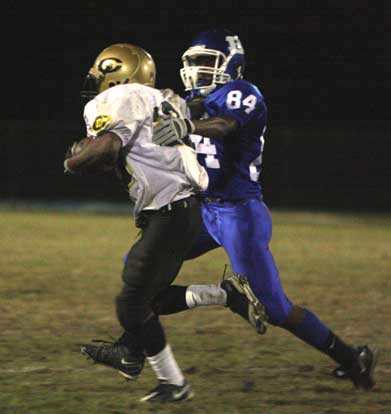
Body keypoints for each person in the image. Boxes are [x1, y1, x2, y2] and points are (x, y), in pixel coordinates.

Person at [151, 29, 379, 391]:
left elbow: (224, 125)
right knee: (142, 273)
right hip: (203, 210)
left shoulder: (241, 93)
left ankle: (352, 357)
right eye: (193, 62)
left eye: (207, 61)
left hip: (239, 214)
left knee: (275, 311)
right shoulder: (188, 102)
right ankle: (143, 343)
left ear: (231, 64)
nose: (198, 70)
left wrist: (187, 124)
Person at [64, 43, 211, 403]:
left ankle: (172, 381)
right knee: (149, 296)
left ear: (121, 74)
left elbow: (106, 147)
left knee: (131, 303)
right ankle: (223, 296)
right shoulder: (165, 99)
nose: (97, 81)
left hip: (169, 212)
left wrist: (71, 161)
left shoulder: (119, 97)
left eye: (102, 73)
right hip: (187, 209)